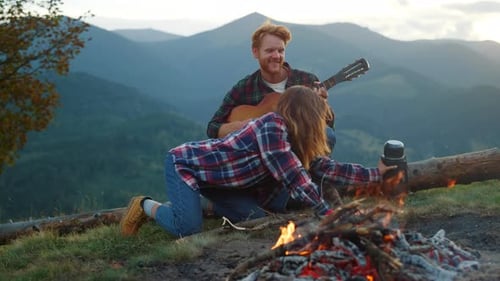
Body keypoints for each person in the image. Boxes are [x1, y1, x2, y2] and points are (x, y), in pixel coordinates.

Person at [120, 86, 398, 237]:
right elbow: (294, 177)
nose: (320, 125)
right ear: (304, 116)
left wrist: (377, 175)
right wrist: (328, 213)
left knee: (257, 219)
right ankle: (146, 205)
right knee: (187, 229)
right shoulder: (272, 127)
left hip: (226, 183)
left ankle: (196, 203)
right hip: (188, 165)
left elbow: (324, 167)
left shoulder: (294, 135)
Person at [206, 20, 336, 150]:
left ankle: (313, 170)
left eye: (281, 51)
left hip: (300, 149)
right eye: (270, 51)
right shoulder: (244, 88)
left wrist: (322, 104)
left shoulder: (307, 81)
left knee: (327, 134)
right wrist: (246, 127)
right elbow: (213, 127)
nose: (276, 56)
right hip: (260, 153)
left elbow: (327, 124)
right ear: (255, 52)